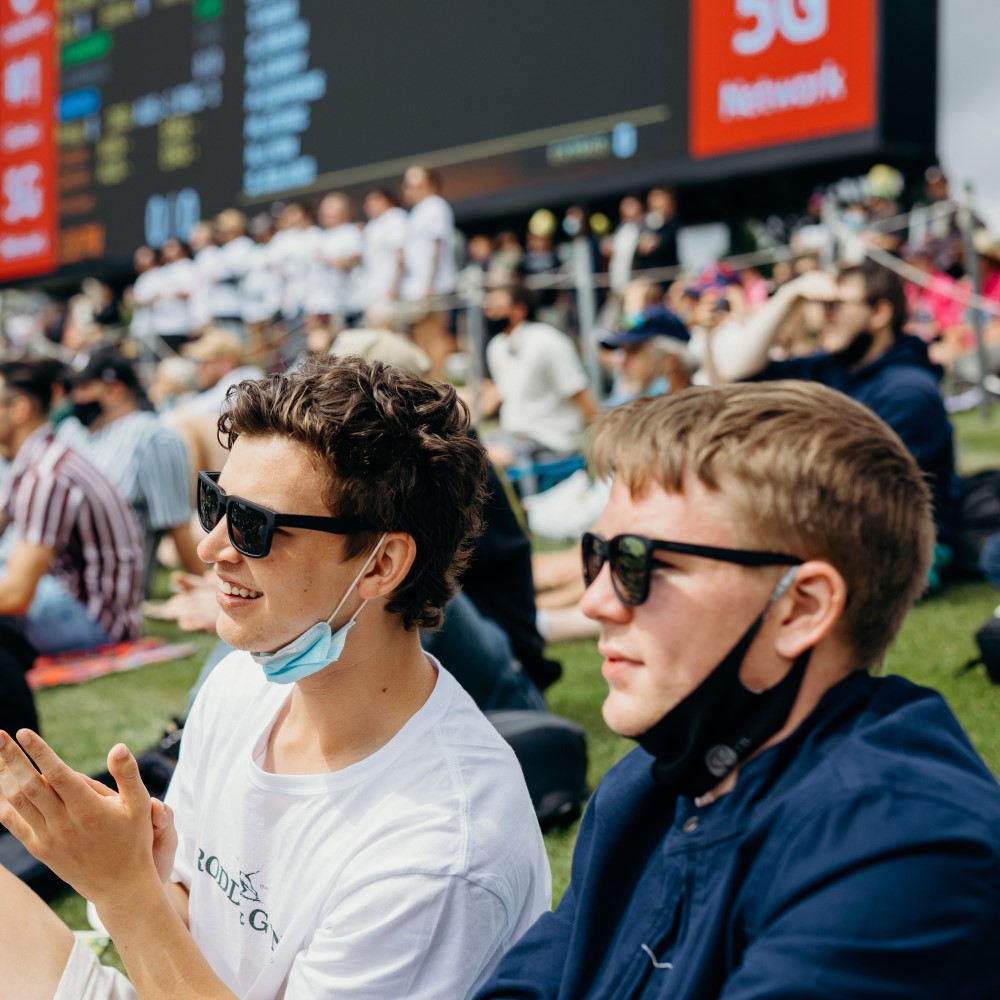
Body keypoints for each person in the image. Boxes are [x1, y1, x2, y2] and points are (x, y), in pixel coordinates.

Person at [0, 354, 550, 1000]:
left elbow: (152, 924)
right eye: (215, 502)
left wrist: (122, 892)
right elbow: (189, 921)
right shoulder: (243, 686)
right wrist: (134, 875)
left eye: (255, 527)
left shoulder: (440, 847)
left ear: (380, 566)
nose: (212, 547)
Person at [478, 382, 1000, 1000]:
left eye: (641, 563)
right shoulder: (646, 786)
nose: (596, 602)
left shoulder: (903, 853)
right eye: (598, 556)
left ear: (801, 608)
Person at [715, 259, 959, 584]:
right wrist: (790, 295)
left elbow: (871, 498)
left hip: (903, 547)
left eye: (836, 305)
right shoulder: (832, 367)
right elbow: (737, 374)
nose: (823, 316)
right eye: (820, 304)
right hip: (839, 528)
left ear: (880, 314)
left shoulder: (908, 390)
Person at [0, 359, 143, 655]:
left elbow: (16, 595)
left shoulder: (46, 473)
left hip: (93, 619)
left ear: (19, 410)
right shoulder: (38, 459)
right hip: (77, 600)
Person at [58, 349, 203, 589]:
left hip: (107, 583)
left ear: (115, 390)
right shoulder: (71, 430)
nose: (75, 397)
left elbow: (176, 523)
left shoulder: (155, 437)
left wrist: (203, 586)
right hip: (54, 568)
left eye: (83, 387)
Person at [483, 283, 598, 476]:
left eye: (497, 304)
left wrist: (602, 441)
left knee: (479, 457)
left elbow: (579, 393)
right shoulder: (496, 346)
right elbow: (502, 394)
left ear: (519, 310)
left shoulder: (548, 341)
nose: (489, 310)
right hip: (513, 436)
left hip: (551, 440)